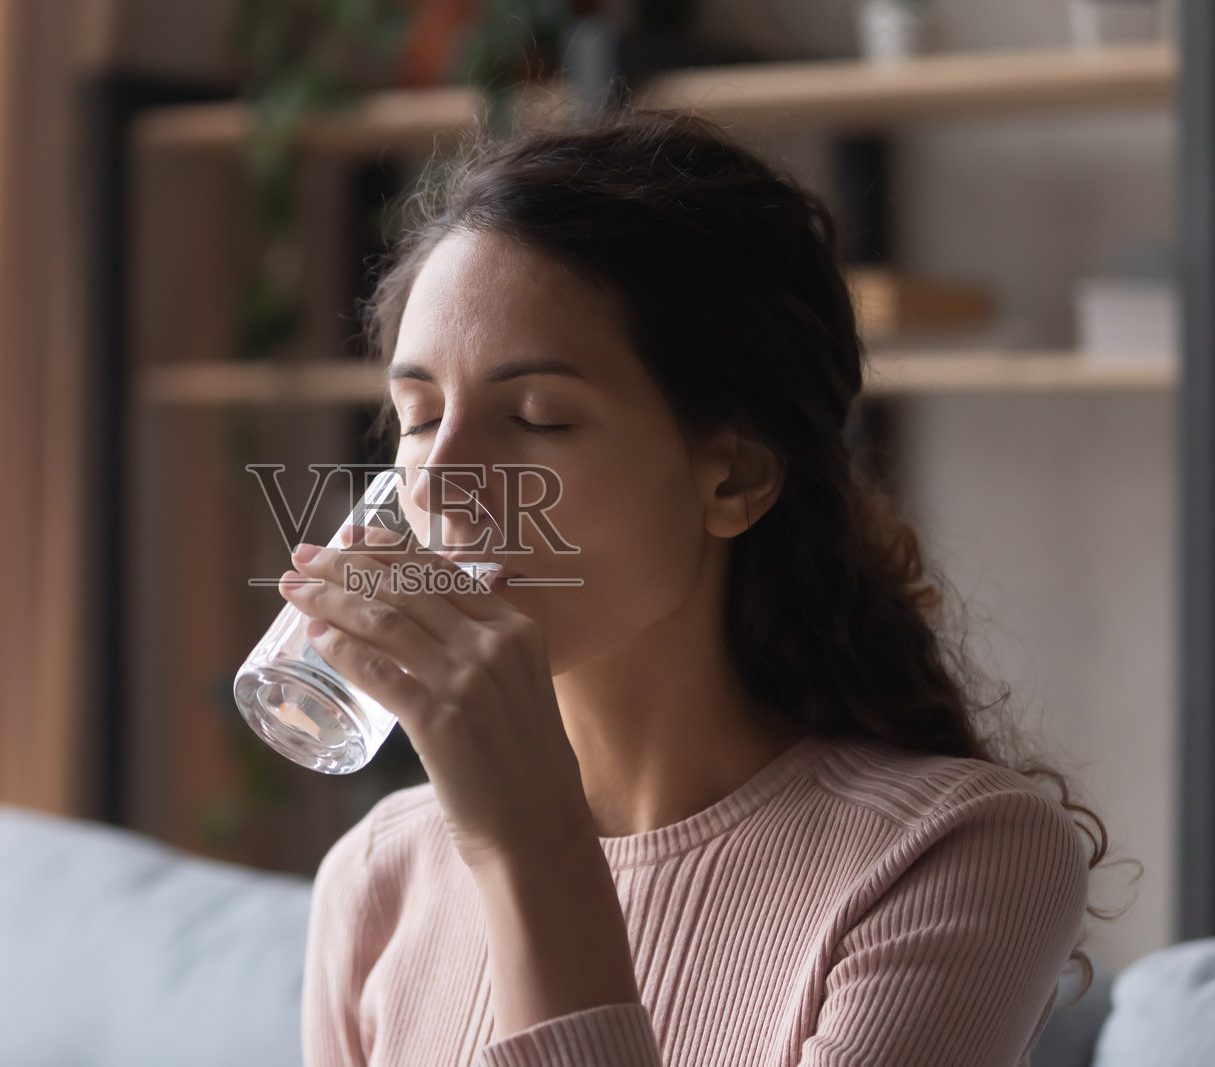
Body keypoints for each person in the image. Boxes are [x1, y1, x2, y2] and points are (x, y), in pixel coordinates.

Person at [274, 108, 1114, 1067]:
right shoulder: (379, 875)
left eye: (539, 418)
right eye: (419, 415)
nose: (436, 479)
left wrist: (534, 851)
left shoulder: (951, 858)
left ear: (733, 479)